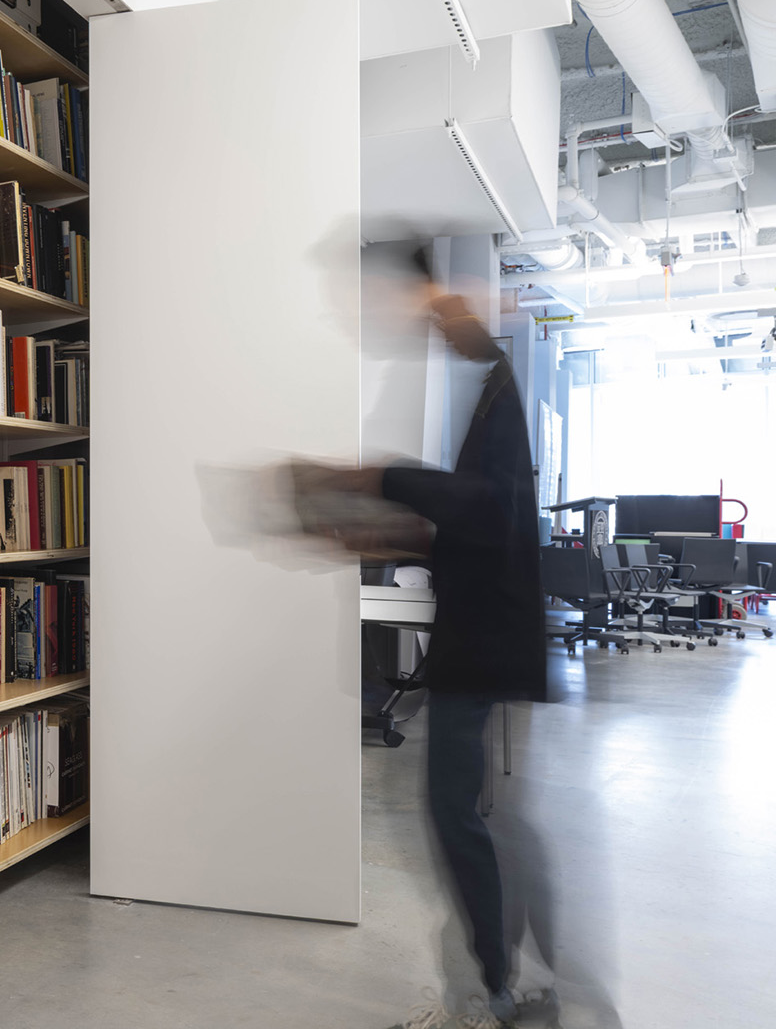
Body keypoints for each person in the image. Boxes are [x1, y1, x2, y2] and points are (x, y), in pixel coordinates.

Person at [298, 252, 553, 1028]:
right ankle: (492, 986)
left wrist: (383, 478)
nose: (423, 325)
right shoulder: (488, 390)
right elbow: (476, 527)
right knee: (463, 816)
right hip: (479, 639)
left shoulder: (500, 384)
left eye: (428, 308)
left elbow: (485, 512)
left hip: (486, 644)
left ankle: (493, 993)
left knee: (457, 814)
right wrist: (386, 532)